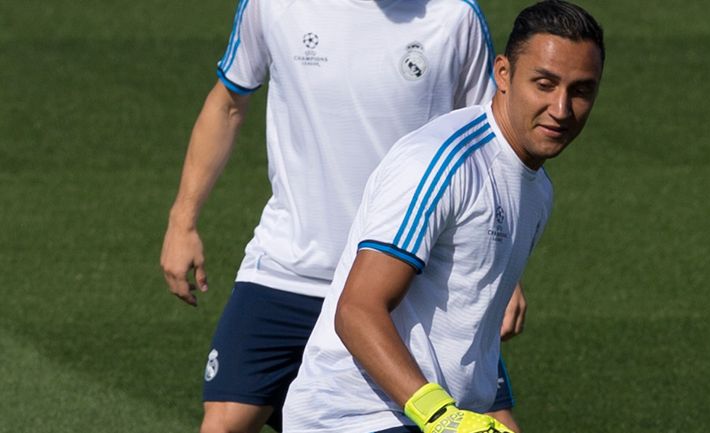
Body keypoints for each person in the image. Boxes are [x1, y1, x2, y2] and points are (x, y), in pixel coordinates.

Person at [160, 1, 527, 432]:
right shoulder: (274, 5)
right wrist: (181, 222)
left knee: (485, 420)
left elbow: (491, 143)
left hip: (406, 280)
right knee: (223, 423)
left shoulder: (455, 16)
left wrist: (503, 274)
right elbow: (227, 104)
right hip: (289, 269)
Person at [282, 1, 605, 432]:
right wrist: (441, 415)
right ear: (503, 74)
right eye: (544, 84)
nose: (561, 109)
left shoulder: (537, 189)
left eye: (580, 91)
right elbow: (357, 309)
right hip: (360, 418)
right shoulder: (442, 162)